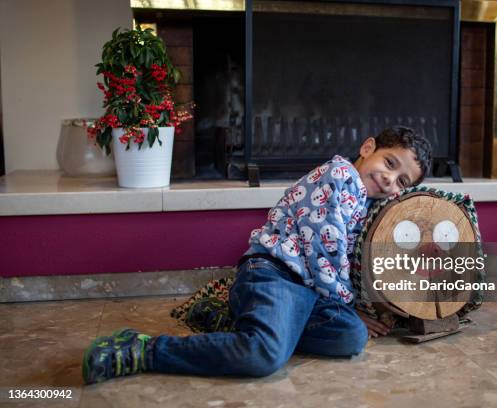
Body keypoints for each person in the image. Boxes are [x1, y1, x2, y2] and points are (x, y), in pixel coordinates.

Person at [82, 126, 433, 383]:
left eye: (402, 181)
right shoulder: (338, 176)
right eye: (389, 163)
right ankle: (146, 349)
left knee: (350, 337)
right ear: (368, 146)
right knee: (262, 355)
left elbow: (345, 257)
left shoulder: (363, 201)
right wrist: (346, 301)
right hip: (275, 272)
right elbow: (325, 252)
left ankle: (259, 323)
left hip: (309, 290)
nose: (390, 180)